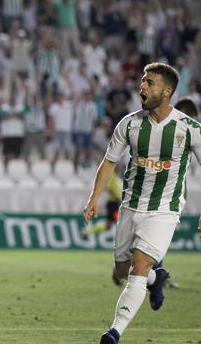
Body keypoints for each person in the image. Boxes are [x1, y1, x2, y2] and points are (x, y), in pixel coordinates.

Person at [83, 63, 201, 344]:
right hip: (130, 206)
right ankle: (156, 277)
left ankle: (114, 332)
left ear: (167, 90)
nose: (142, 87)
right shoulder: (130, 123)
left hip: (164, 210)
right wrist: (94, 197)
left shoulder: (190, 129)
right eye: (143, 82)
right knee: (122, 270)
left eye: (150, 83)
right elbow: (109, 161)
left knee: (137, 269)